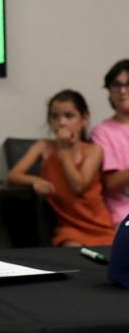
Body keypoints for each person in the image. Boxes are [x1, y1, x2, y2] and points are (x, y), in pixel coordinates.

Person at [7, 89, 114, 247]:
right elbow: (13, 175)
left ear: (84, 119)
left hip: (98, 224)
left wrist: (64, 150)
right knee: (74, 253)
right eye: (55, 116)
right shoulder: (44, 146)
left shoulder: (93, 150)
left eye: (69, 116)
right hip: (70, 228)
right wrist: (35, 180)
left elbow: (79, 186)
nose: (61, 122)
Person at [91, 59, 129, 226]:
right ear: (109, 91)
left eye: (128, 85)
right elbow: (112, 184)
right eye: (116, 85)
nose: (122, 91)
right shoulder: (102, 132)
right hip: (123, 216)